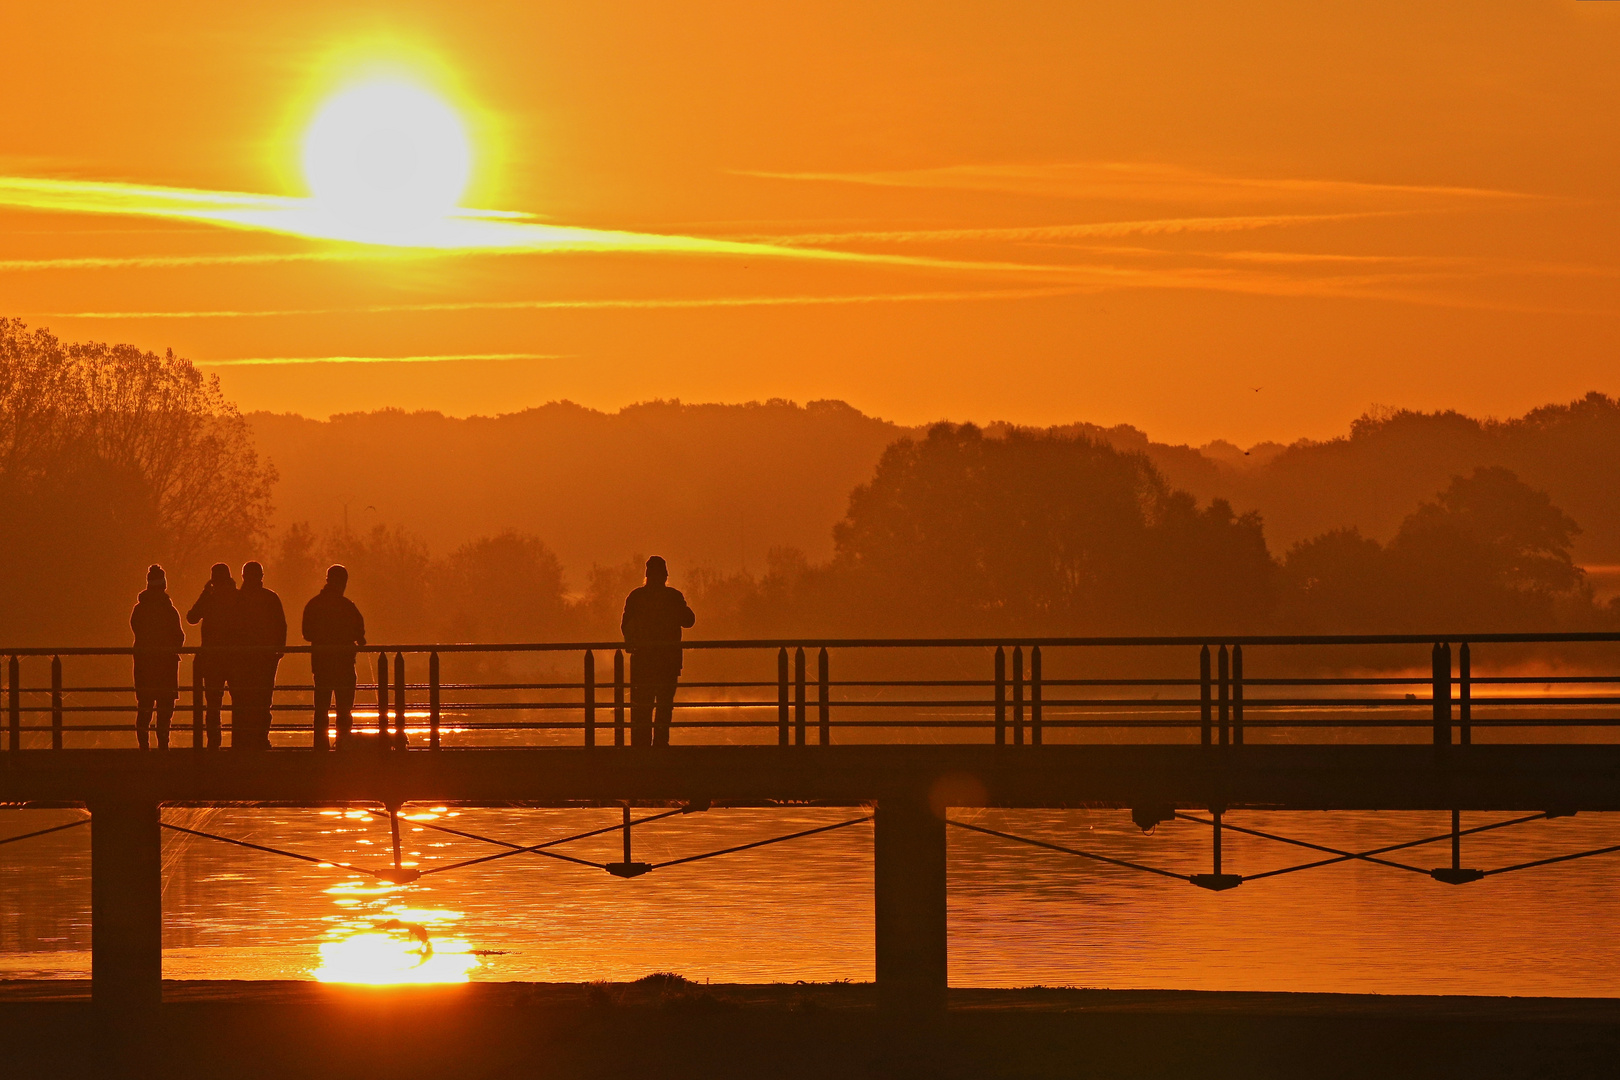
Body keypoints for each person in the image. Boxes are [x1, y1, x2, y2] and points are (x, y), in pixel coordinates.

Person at [620, 556, 696, 747]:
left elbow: (626, 626)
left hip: (642, 662)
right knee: (664, 707)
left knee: (642, 708)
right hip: (668, 663)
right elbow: (689, 621)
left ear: (646, 575)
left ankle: (641, 747)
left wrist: (632, 644)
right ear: (665, 575)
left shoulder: (636, 597)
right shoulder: (673, 597)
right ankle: (661, 745)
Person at [302, 564, 366, 750]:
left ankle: (320, 747)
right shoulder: (347, 606)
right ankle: (343, 746)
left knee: (321, 709)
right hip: (344, 664)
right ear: (343, 582)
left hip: (321, 664)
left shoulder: (314, 604)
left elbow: (307, 633)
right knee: (344, 710)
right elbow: (359, 631)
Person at [231, 561, 287, 751]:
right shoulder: (270, 598)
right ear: (261, 576)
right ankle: (260, 738)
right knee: (262, 700)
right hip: (264, 659)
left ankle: (241, 740)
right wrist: (278, 650)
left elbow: (229, 628)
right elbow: (281, 626)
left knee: (241, 700)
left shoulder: (236, 599)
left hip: (241, 659)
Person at [130, 565, 184, 750]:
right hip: (166, 665)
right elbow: (179, 637)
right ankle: (163, 744)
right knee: (165, 707)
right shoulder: (170, 611)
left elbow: (136, 630)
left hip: (144, 665)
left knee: (144, 705)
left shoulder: (139, 610)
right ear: (164, 585)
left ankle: (143, 746)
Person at [186, 563, 239, 750]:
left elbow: (192, 617)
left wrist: (204, 593)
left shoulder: (210, 598)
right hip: (235, 658)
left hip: (213, 658)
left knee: (213, 703)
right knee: (239, 701)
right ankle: (238, 741)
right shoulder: (238, 597)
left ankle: (213, 743)